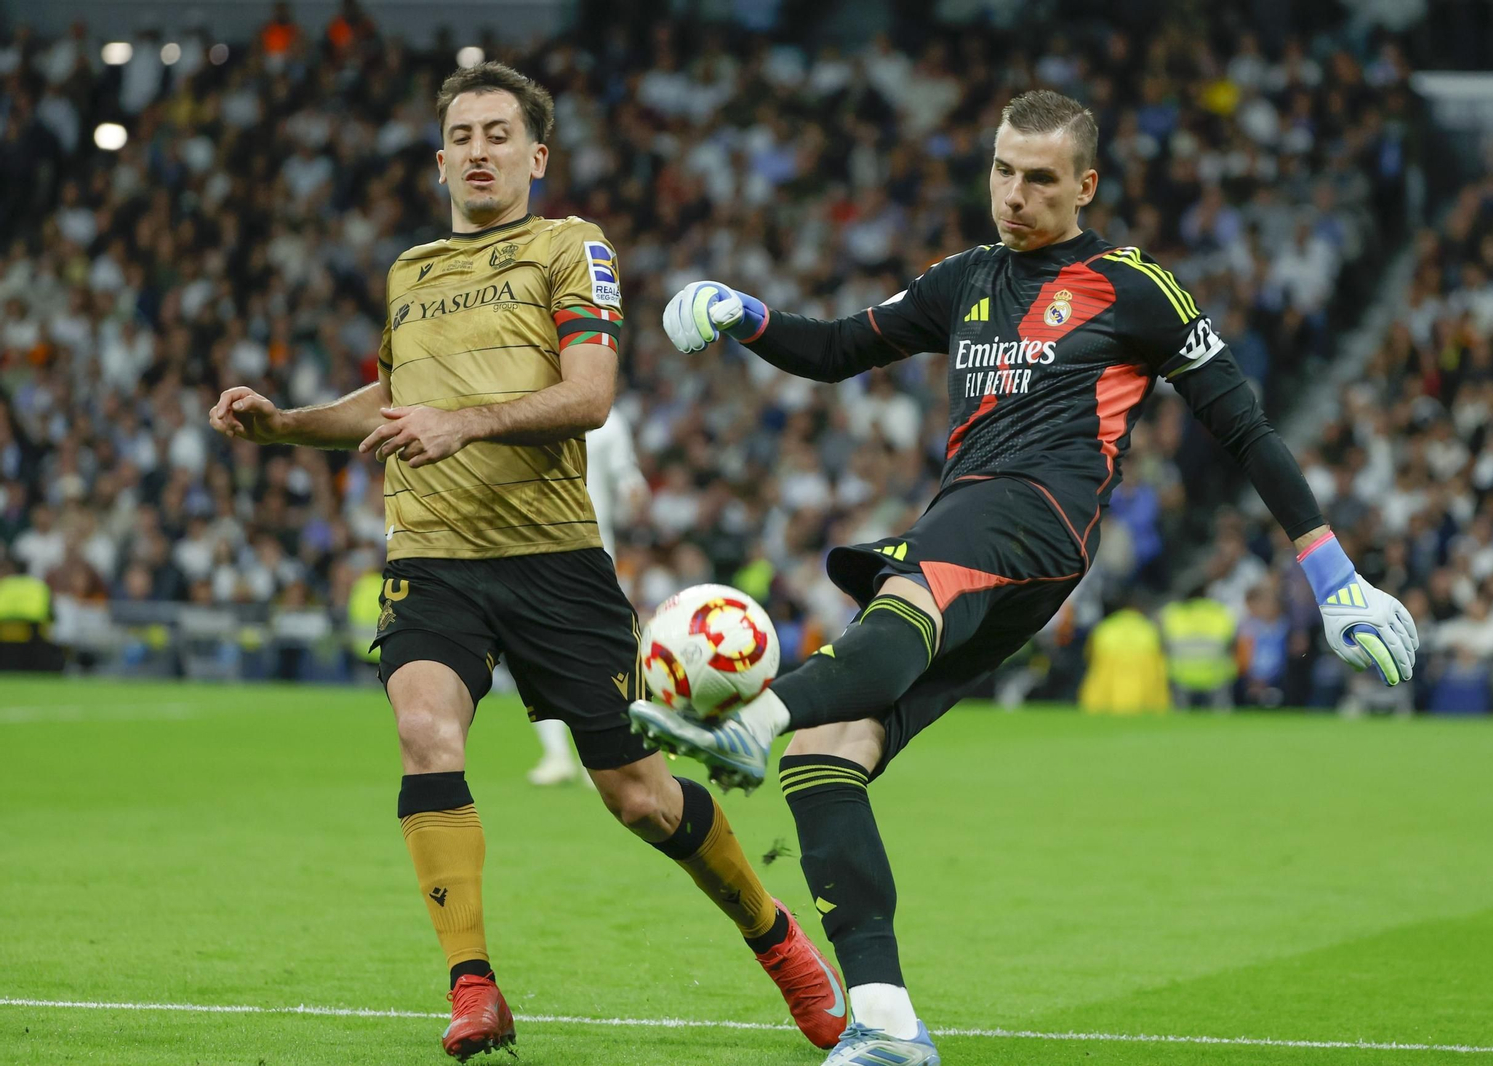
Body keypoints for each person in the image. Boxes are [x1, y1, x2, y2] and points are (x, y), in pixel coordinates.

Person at [630, 89, 1418, 1066]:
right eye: (1002, 170)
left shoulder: (1133, 287)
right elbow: (836, 349)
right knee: (828, 757)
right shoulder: (962, 280)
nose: (1013, 194)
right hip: (980, 544)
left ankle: (744, 723)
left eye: (1038, 178)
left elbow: (1244, 426)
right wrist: (745, 314)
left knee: (894, 609)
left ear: (1084, 185)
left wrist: (1332, 573)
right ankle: (883, 1024)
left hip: (1035, 515)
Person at [209, 62, 845, 1063]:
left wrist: (461, 425)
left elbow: (589, 395)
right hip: (431, 558)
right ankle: (473, 988)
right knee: (425, 730)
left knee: (637, 795)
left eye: (498, 134)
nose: (478, 150)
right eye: (461, 136)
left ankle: (776, 940)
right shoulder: (409, 270)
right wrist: (284, 424)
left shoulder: (570, 247)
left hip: (553, 562)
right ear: (439, 160)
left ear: (535, 155)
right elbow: (387, 399)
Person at [527, 406, 647, 786]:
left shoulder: (609, 419)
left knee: (599, 655)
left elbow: (628, 479)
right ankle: (558, 754)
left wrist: (634, 494)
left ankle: (606, 753)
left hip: (592, 553)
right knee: (534, 654)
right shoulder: (524, 404)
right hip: (528, 550)